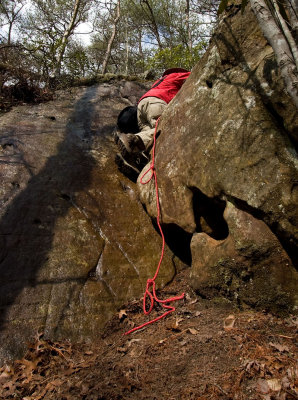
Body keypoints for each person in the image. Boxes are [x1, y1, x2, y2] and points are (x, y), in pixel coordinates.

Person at [115, 68, 191, 180]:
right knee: (165, 129)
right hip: (158, 102)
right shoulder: (179, 75)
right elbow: (196, 77)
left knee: (151, 136)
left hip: (142, 106)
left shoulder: (159, 81)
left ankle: (137, 157)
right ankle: (132, 139)